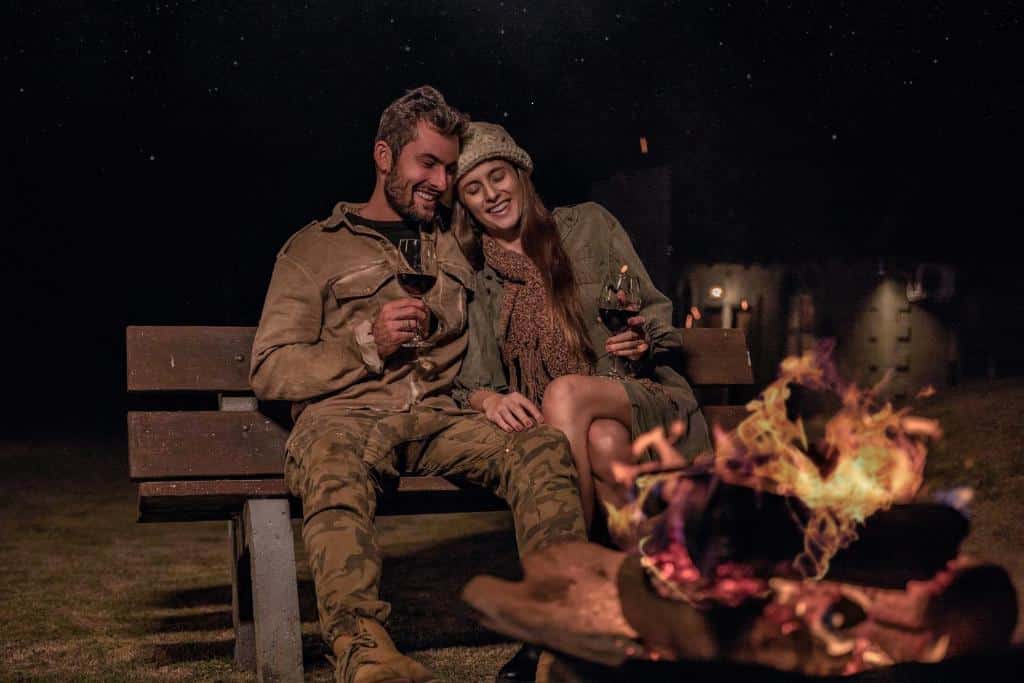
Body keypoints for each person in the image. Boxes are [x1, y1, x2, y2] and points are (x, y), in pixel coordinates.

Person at [250, 87, 587, 683]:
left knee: (540, 445)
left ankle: (562, 637)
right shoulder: (315, 249)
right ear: (384, 157)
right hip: (346, 420)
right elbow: (272, 369)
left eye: (448, 167)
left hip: (439, 420)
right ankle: (364, 652)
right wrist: (366, 343)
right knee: (330, 459)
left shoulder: (454, 247)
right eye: (426, 163)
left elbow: (528, 252)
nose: (441, 179)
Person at [452, 122, 712, 535]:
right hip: (563, 427)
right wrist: (488, 401)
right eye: (473, 188)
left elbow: (655, 310)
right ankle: (643, 571)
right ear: (465, 204)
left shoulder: (589, 226)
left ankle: (568, 566)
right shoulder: (479, 278)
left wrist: (644, 337)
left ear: (520, 175)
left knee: (565, 392)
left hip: (633, 395)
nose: (491, 194)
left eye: (497, 176)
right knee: (604, 443)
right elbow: (476, 378)